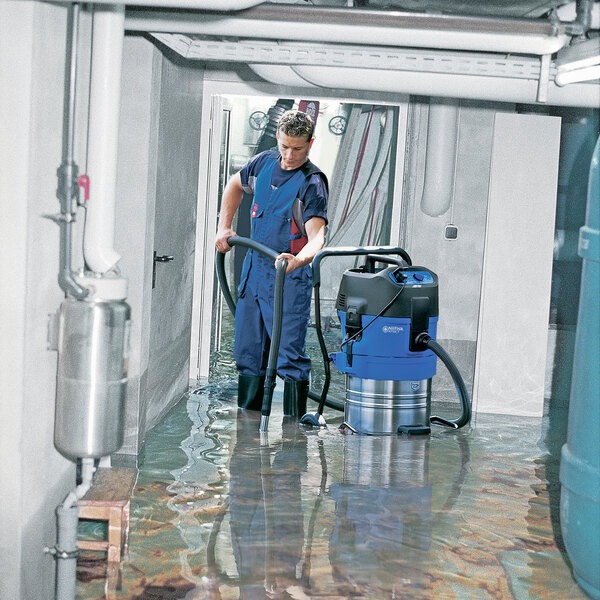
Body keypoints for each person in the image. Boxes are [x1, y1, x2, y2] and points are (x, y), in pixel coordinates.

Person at [215, 110, 328, 417]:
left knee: (288, 357)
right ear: (278, 139)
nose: (290, 155)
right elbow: (234, 185)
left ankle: (292, 441)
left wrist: (299, 260)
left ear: (310, 143)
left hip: (287, 278)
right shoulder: (262, 163)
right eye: (285, 146)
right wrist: (225, 226)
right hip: (254, 273)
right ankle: (248, 435)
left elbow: (317, 238)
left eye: (298, 149)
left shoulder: (312, 183)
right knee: (248, 352)